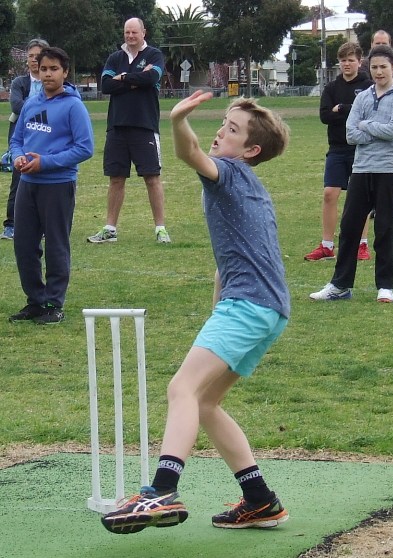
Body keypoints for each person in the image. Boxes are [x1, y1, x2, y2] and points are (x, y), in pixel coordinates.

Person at [101, 91, 291, 533]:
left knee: (181, 388)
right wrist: (219, 302)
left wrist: (177, 119)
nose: (220, 132)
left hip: (249, 306)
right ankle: (260, 500)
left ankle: (161, 490)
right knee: (205, 402)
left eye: (232, 129)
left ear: (250, 150)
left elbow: (187, 152)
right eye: (224, 123)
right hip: (267, 309)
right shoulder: (250, 186)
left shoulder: (227, 172)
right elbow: (236, 253)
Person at [309, 45, 393, 304]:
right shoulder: (364, 97)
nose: (378, 72)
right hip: (361, 168)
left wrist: (367, 125)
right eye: (374, 67)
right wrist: (374, 128)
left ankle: (385, 285)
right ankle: (340, 285)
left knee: (385, 227)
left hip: (389, 169)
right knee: (350, 227)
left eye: (383, 67)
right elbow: (350, 133)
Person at [9, 47, 94, 324]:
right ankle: (35, 301)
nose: (48, 73)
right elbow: (17, 139)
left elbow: (85, 148)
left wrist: (45, 162)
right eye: (43, 68)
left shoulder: (73, 106)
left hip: (57, 185)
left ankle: (53, 303)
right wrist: (18, 156)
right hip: (27, 183)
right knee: (24, 245)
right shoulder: (31, 104)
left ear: (65, 72)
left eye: (54, 69)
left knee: (56, 245)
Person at [87, 17, 170, 244]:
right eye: (127, 33)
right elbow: (106, 86)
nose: (130, 36)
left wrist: (123, 78)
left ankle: (161, 229)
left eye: (134, 32)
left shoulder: (154, 56)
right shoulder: (115, 57)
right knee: (116, 178)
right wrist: (135, 81)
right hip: (117, 127)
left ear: (144, 32)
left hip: (144, 125)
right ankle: (110, 229)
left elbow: (152, 77)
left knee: (152, 177)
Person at [304, 42, 373, 262]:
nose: (346, 64)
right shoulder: (331, 88)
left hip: (360, 148)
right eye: (343, 60)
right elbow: (325, 116)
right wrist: (349, 111)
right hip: (336, 148)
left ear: (359, 62)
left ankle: (362, 245)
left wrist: (342, 108)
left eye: (351, 60)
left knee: (360, 198)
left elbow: (366, 114)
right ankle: (326, 245)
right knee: (329, 194)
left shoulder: (368, 86)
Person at [0, 38, 49, 240]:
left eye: (38, 56)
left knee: (46, 184)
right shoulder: (20, 83)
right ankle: (11, 225)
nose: (34, 60)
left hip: (46, 140)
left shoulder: (52, 81)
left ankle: (43, 225)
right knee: (18, 182)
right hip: (22, 141)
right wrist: (41, 108)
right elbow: (17, 107)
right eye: (31, 56)